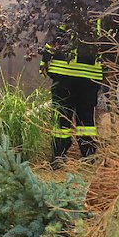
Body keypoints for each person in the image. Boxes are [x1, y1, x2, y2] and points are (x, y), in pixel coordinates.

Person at [40, 17, 105, 165]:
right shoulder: (98, 18)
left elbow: (51, 42)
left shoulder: (64, 13)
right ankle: (88, 157)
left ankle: (58, 157)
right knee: (86, 119)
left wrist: (44, 62)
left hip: (63, 74)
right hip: (89, 76)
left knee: (62, 117)